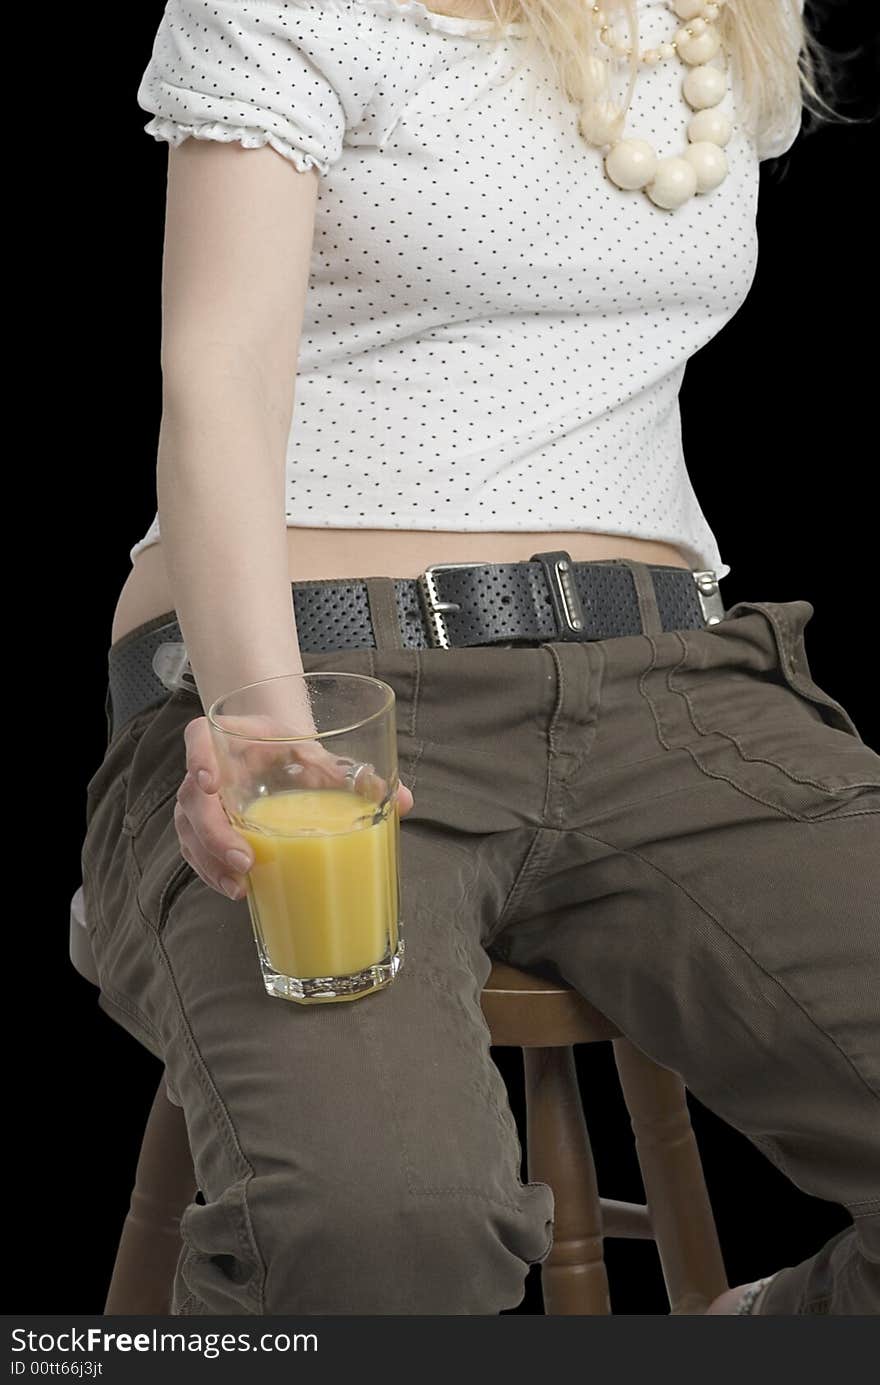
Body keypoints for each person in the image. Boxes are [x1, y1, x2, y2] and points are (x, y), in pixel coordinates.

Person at [81, 0, 879, 1315]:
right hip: (328, 692)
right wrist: (264, 718)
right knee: (380, 1228)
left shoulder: (716, 21)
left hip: (672, 694)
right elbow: (219, 363)